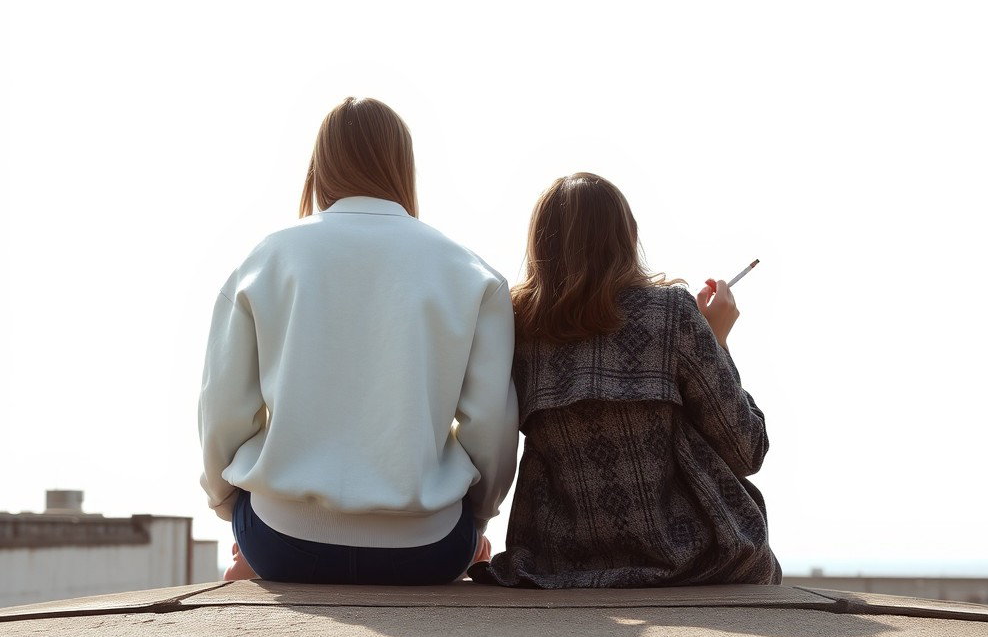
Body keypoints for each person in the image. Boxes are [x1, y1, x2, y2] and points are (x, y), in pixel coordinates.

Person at [199, 97, 518, 584]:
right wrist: (477, 519)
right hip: (428, 550)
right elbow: (490, 426)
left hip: (281, 541)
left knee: (252, 527)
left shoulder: (267, 258)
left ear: (319, 166)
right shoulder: (472, 274)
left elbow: (222, 410)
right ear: (402, 165)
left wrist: (227, 504)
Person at [470, 172, 781, 588]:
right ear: (628, 236)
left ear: (540, 245)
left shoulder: (518, 325)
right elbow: (748, 451)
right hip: (698, 562)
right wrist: (717, 340)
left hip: (557, 567)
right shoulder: (671, 314)